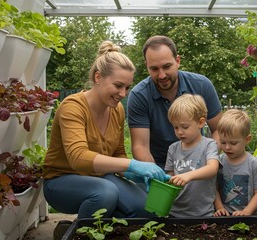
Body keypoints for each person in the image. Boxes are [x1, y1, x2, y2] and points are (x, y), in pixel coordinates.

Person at [42, 41, 169, 240]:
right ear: (98, 77)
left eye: (127, 87)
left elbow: (117, 153)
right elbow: (78, 158)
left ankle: (70, 229)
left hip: (100, 178)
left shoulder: (116, 109)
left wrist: (133, 174)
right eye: (118, 86)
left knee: (147, 209)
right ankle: (79, 236)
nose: (123, 94)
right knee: (105, 193)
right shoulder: (73, 107)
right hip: (61, 182)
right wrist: (133, 164)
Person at [127, 35, 222, 169]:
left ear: (177, 61)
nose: (162, 75)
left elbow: (218, 130)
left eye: (167, 66)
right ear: (146, 66)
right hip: (158, 165)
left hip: (200, 162)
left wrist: (207, 159)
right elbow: (140, 146)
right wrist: (158, 177)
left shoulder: (201, 85)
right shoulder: (139, 96)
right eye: (154, 69)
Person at [165, 94, 221, 217]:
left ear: (200, 123)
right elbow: (169, 175)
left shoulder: (209, 145)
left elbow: (213, 169)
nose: (180, 132)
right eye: (175, 127)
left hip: (203, 213)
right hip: (175, 212)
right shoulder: (173, 148)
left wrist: (188, 176)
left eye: (185, 127)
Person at [213, 109, 257, 218]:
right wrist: (219, 208)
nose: (227, 147)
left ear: (247, 139)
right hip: (226, 215)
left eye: (233, 143)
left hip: (252, 215)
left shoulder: (254, 164)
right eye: (223, 142)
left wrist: (247, 212)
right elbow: (214, 189)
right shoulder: (219, 162)